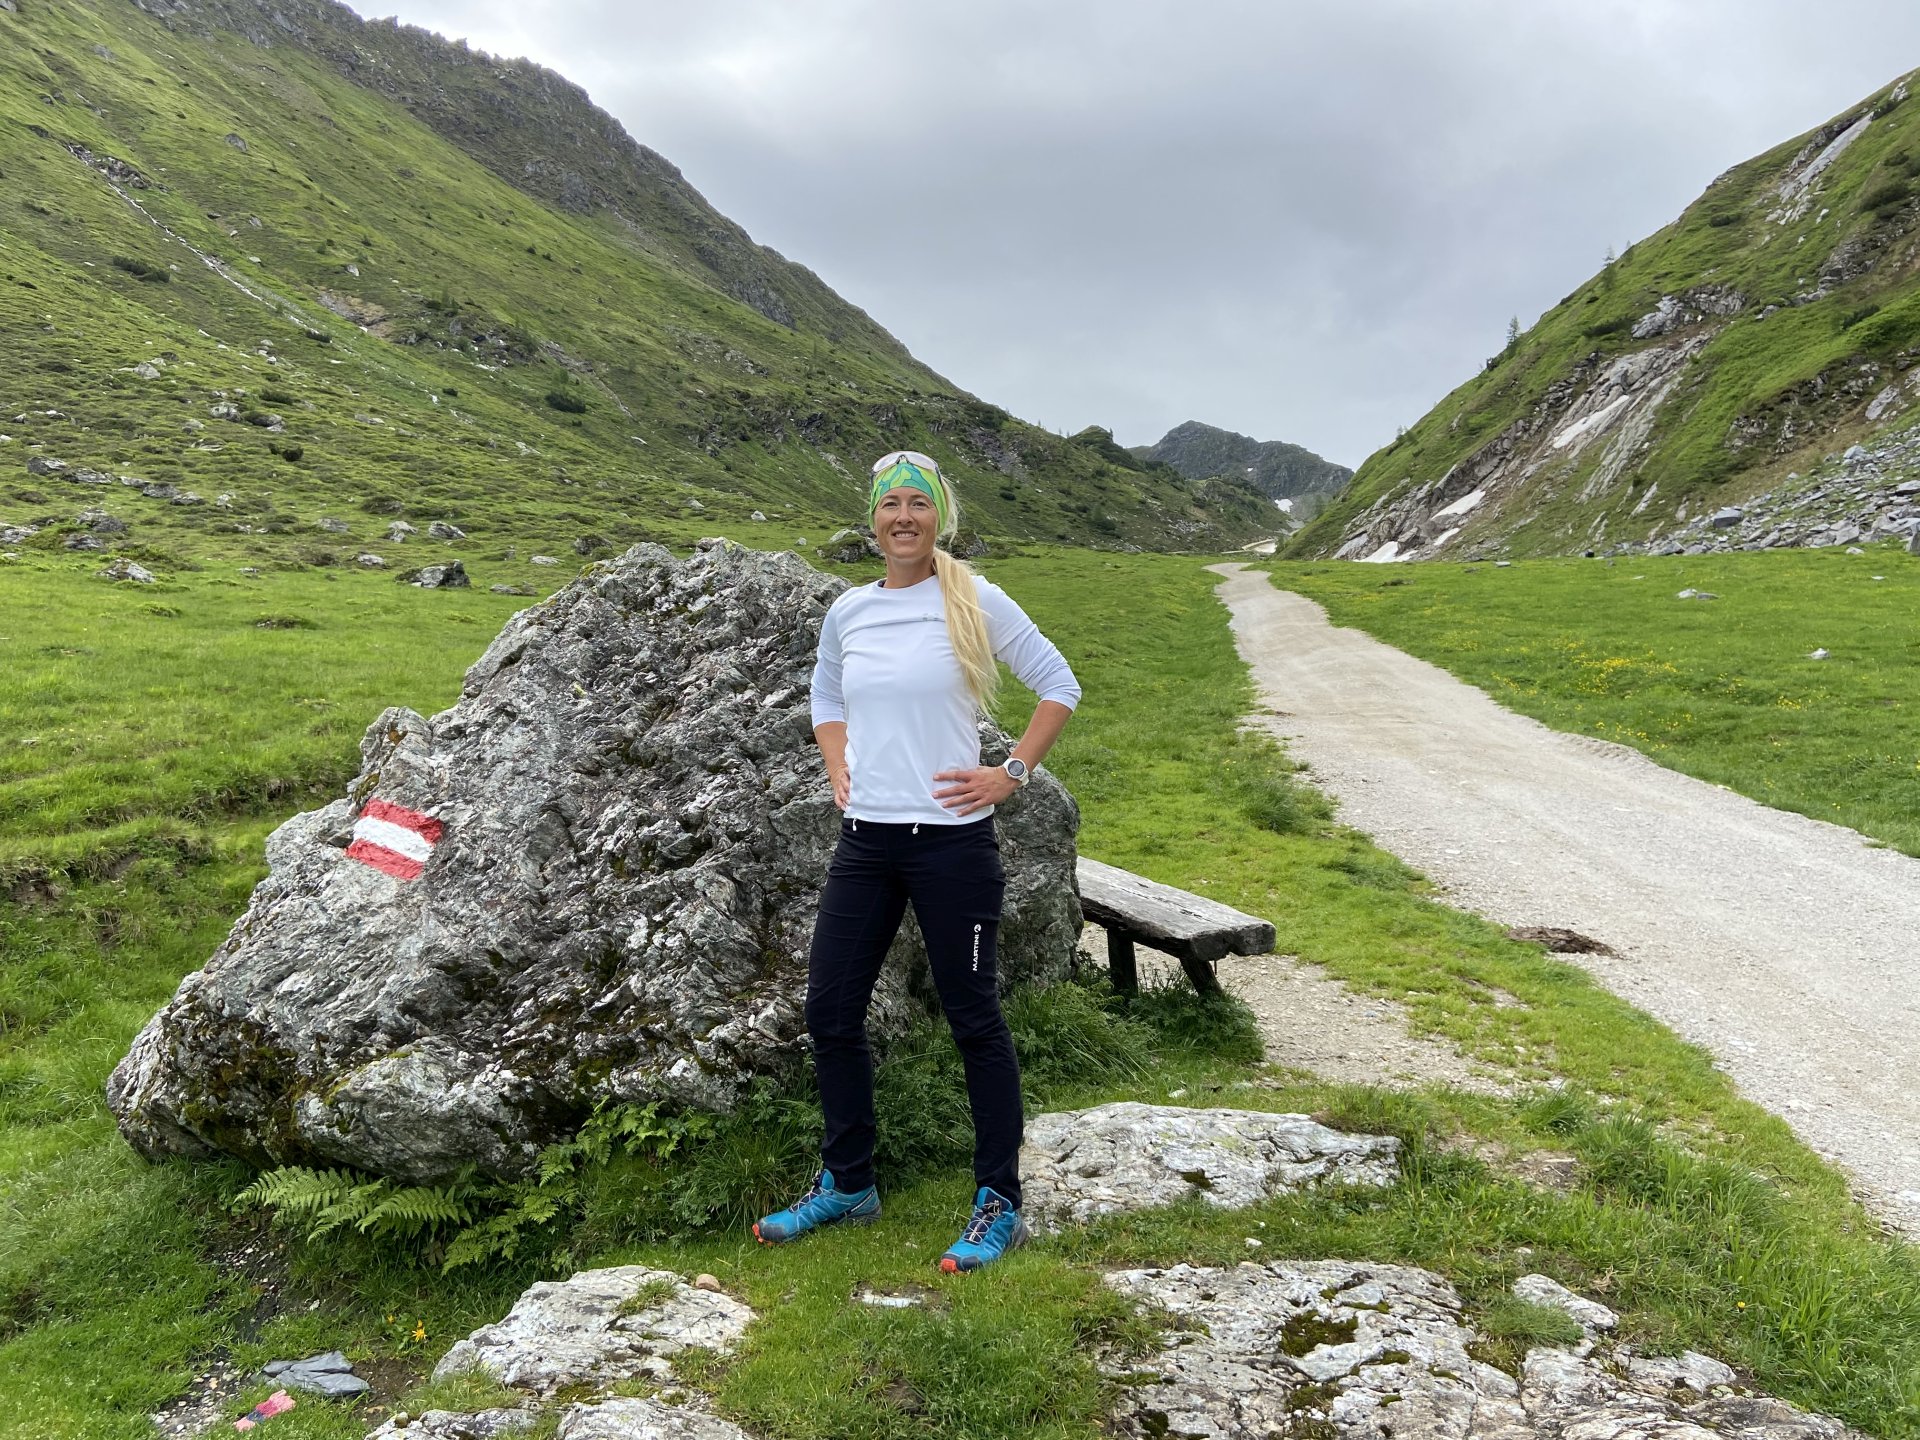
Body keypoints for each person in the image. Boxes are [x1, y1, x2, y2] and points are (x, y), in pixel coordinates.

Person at [753, 449, 1081, 1273]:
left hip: (952, 846)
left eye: (918, 503)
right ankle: (849, 1182)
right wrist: (836, 764)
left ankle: (997, 1201)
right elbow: (827, 697)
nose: (904, 516)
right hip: (865, 842)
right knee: (830, 1011)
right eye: (890, 503)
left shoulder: (975, 600)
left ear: (941, 517)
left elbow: (1059, 684)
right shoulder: (849, 612)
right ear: (872, 520)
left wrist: (1011, 774)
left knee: (975, 1022)